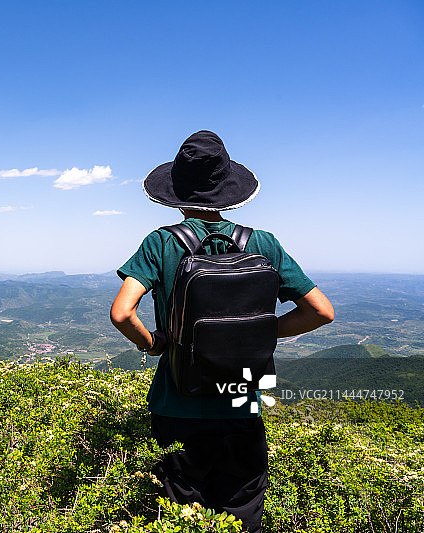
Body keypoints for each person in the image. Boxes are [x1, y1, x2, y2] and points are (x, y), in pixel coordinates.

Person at [109, 130, 334, 532]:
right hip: (241, 401)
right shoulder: (263, 243)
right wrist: (262, 333)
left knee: (179, 516)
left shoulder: (161, 243)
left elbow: (123, 313)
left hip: (177, 403)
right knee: (241, 510)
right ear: (229, 188)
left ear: (175, 190)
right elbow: (321, 312)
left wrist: (155, 344)